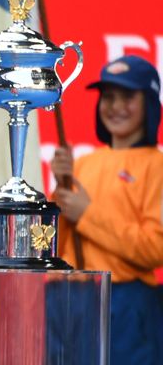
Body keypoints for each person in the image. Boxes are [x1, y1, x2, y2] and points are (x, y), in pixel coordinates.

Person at [50, 55, 163, 364]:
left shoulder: (158, 166)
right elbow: (53, 249)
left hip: (128, 305)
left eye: (128, 96)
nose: (116, 106)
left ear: (150, 103)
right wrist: (58, 195)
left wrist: (87, 214)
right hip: (70, 300)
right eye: (108, 97)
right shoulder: (83, 164)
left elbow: (155, 248)